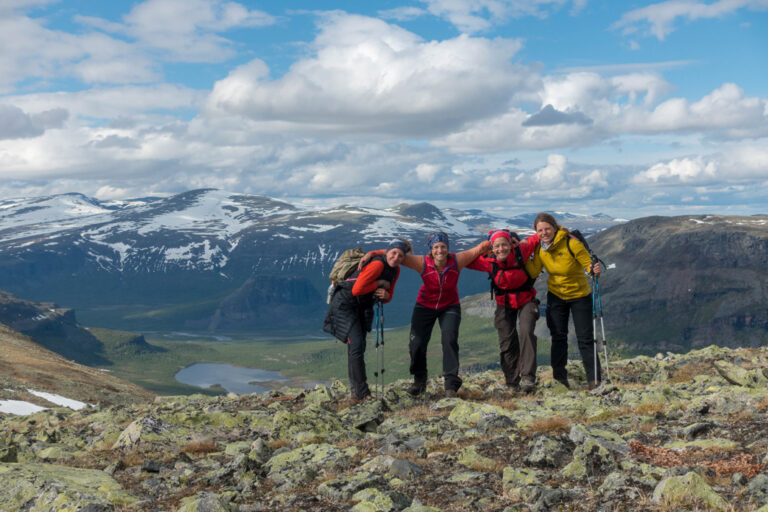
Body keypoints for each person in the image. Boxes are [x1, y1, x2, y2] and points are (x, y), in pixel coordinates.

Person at [361, 232, 490, 397]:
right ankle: (419, 381)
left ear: (447, 248)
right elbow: (393, 252)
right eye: (436, 247)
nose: (440, 250)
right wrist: (371, 254)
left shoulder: (458, 259)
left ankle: (450, 386)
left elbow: (479, 249)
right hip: (425, 305)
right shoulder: (421, 262)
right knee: (417, 344)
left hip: (450, 305)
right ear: (431, 250)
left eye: (443, 246)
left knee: (449, 339)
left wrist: (497, 244)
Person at [323, 238, 412, 401]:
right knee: (356, 345)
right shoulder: (378, 265)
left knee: (357, 346)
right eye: (393, 253)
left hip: (362, 306)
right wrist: (379, 282)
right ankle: (362, 394)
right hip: (345, 304)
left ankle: (356, 391)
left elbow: (388, 294)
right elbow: (357, 289)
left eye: (400, 255)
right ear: (388, 251)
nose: (396, 258)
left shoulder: (396, 270)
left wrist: (386, 295)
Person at [527, 213, 602, 389]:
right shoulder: (540, 248)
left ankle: (594, 380)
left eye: (547, 229)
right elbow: (533, 271)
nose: (544, 233)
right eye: (540, 230)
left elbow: (588, 266)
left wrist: (594, 270)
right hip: (556, 296)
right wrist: (520, 256)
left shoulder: (571, 243)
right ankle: (560, 379)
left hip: (580, 296)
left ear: (555, 227)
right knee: (558, 337)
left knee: (585, 338)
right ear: (536, 232)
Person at [466, 229, 540, 393]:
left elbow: (540, 236)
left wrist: (565, 232)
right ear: (492, 248)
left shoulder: (521, 251)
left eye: (504, 245)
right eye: (496, 246)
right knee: (507, 340)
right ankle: (512, 383)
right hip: (504, 304)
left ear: (510, 244)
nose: (501, 249)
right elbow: (465, 260)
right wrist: (480, 249)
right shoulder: (488, 261)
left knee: (526, 331)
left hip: (526, 299)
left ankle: (528, 379)